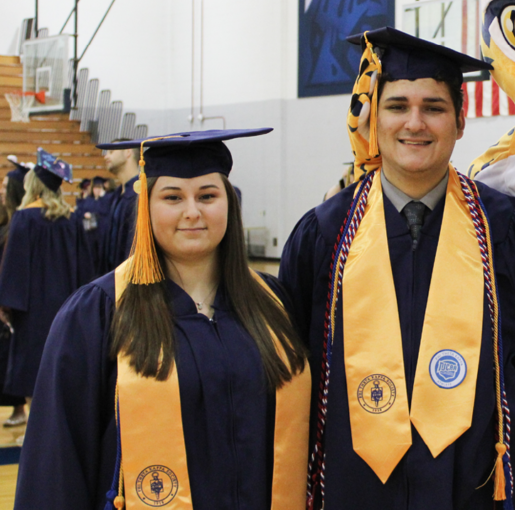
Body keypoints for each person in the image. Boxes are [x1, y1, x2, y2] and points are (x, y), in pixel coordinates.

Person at [280, 27, 515, 510]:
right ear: (372, 118)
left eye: (434, 107)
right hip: (354, 483)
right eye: (397, 105)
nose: (415, 123)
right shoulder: (325, 235)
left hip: (469, 481)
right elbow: (295, 365)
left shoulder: (501, 227)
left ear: (461, 121)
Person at [14, 129, 310, 510]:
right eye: (172, 197)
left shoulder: (273, 305)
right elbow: (56, 461)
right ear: (147, 207)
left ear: (229, 204)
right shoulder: (97, 314)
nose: (192, 211)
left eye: (207, 195)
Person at [0, 150, 94, 404]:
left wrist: (6, 305)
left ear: (34, 186)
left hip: (32, 312)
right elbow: (85, 269)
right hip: (67, 308)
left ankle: (36, 435)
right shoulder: (72, 220)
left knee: (33, 371)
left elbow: (15, 268)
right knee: (61, 371)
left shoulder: (24, 218)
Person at [0, 161, 31, 427]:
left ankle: (19, 409)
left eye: (4, 186)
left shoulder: (22, 223)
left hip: (18, 303)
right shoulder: (9, 219)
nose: (1, 190)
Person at [100, 139, 141, 273]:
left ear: (128, 152)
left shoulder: (141, 194)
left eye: (111, 152)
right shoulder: (116, 196)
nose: (106, 156)